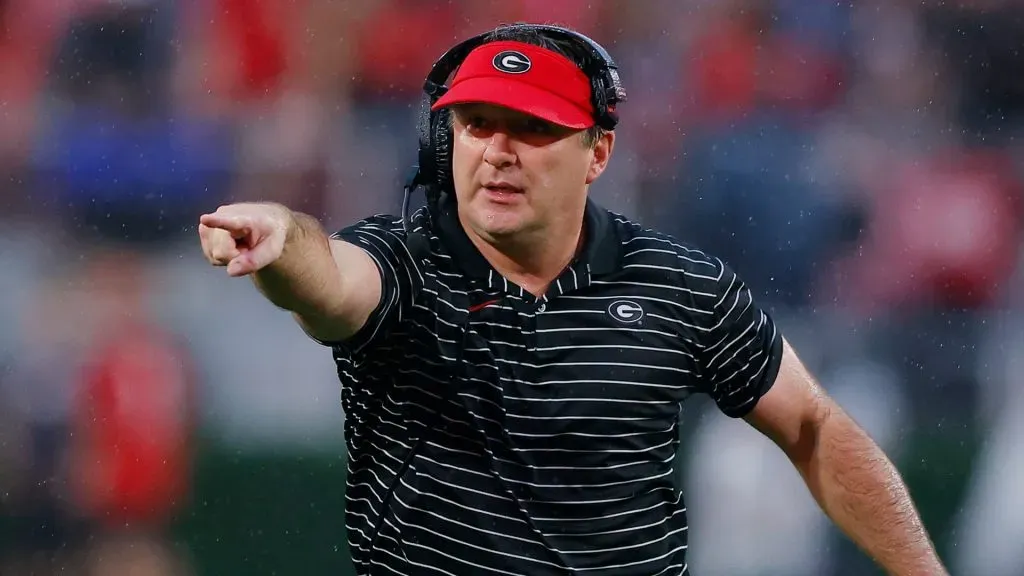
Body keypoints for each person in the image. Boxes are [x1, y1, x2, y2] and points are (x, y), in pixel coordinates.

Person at [198, 23, 948, 576]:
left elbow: (813, 425)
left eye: (531, 128)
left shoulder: (679, 284)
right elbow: (328, 278)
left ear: (598, 152)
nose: (497, 149)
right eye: (476, 124)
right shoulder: (406, 262)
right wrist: (280, 239)